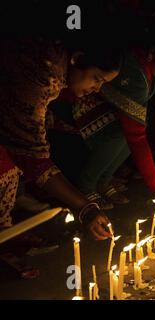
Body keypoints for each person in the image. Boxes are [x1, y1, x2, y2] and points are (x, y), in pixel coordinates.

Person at [0, 39, 121, 243]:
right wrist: (85, 208)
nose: (97, 88)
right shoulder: (45, 75)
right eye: (96, 78)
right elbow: (34, 157)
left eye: (102, 83)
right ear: (78, 59)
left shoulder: (55, 60)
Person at [51, 32, 155, 207]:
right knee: (123, 132)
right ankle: (85, 186)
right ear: (154, 52)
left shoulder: (148, 71)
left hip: (98, 104)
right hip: (73, 104)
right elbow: (136, 136)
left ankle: (104, 180)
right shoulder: (135, 74)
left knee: (133, 128)